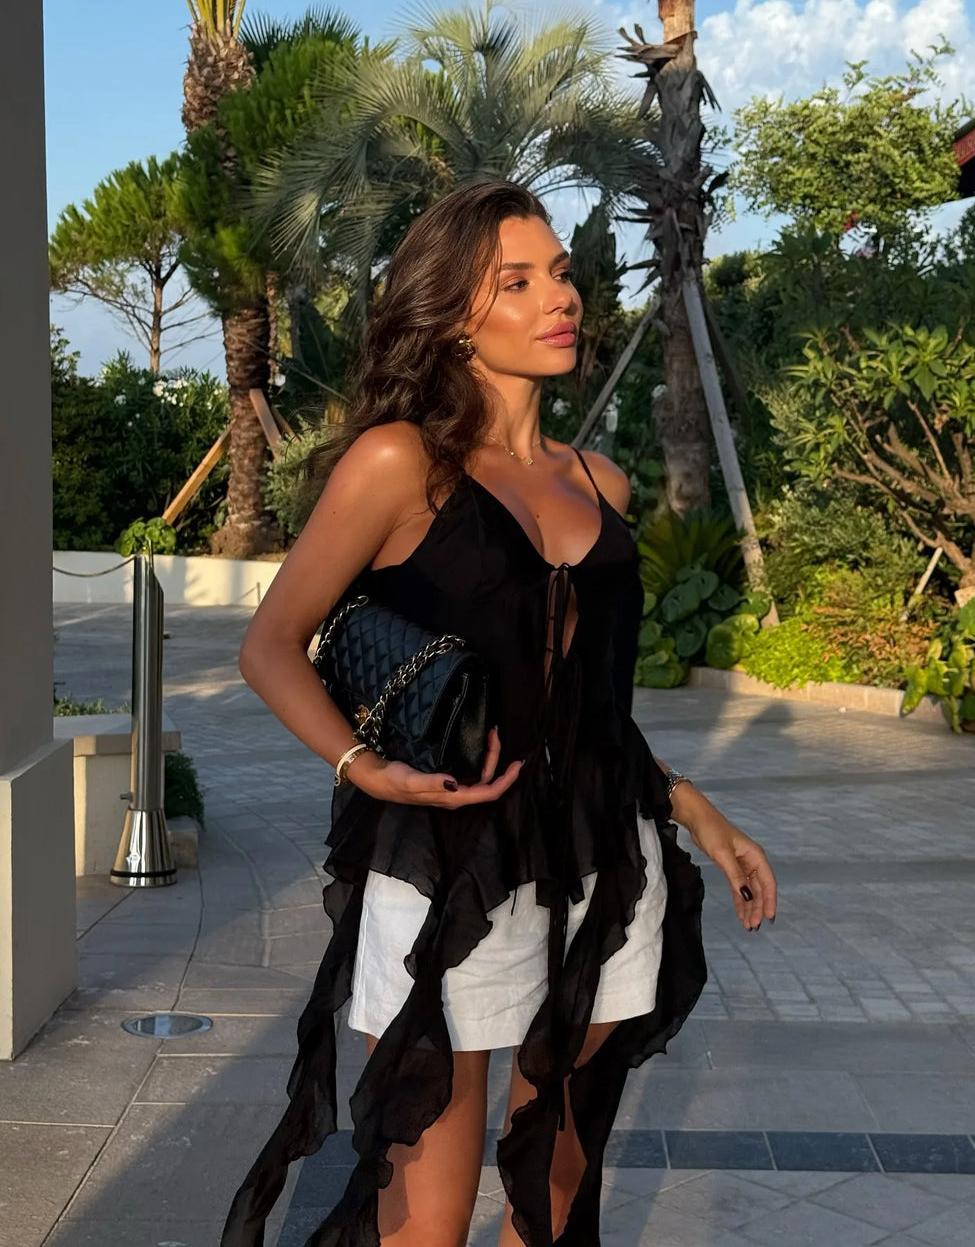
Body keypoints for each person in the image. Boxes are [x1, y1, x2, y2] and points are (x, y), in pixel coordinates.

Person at [221, 179, 777, 1247]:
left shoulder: (598, 482)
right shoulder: (399, 465)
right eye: (515, 281)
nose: (557, 298)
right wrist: (359, 765)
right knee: (422, 1219)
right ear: (452, 316)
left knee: (552, 1197)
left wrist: (697, 812)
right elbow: (270, 643)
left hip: (607, 861)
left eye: (559, 273)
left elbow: (589, 705)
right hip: (448, 863)